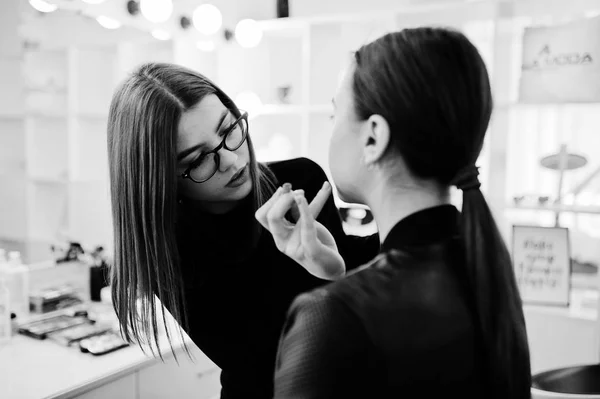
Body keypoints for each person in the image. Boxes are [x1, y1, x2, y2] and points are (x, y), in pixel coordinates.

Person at [258, 27, 532, 399]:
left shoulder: (331, 317)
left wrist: (335, 300)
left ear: (373, 137)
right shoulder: (484, 268)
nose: (331, 129)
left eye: (335, 113)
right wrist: (336, 278)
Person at [106, 63, 379, 399]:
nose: (232, 162)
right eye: (198, 160)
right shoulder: (171, 251)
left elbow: (368, 266)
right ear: (163, 180)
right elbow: (262, 362)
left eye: (229, 130)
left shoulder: (300, 182)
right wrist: (327, 279)